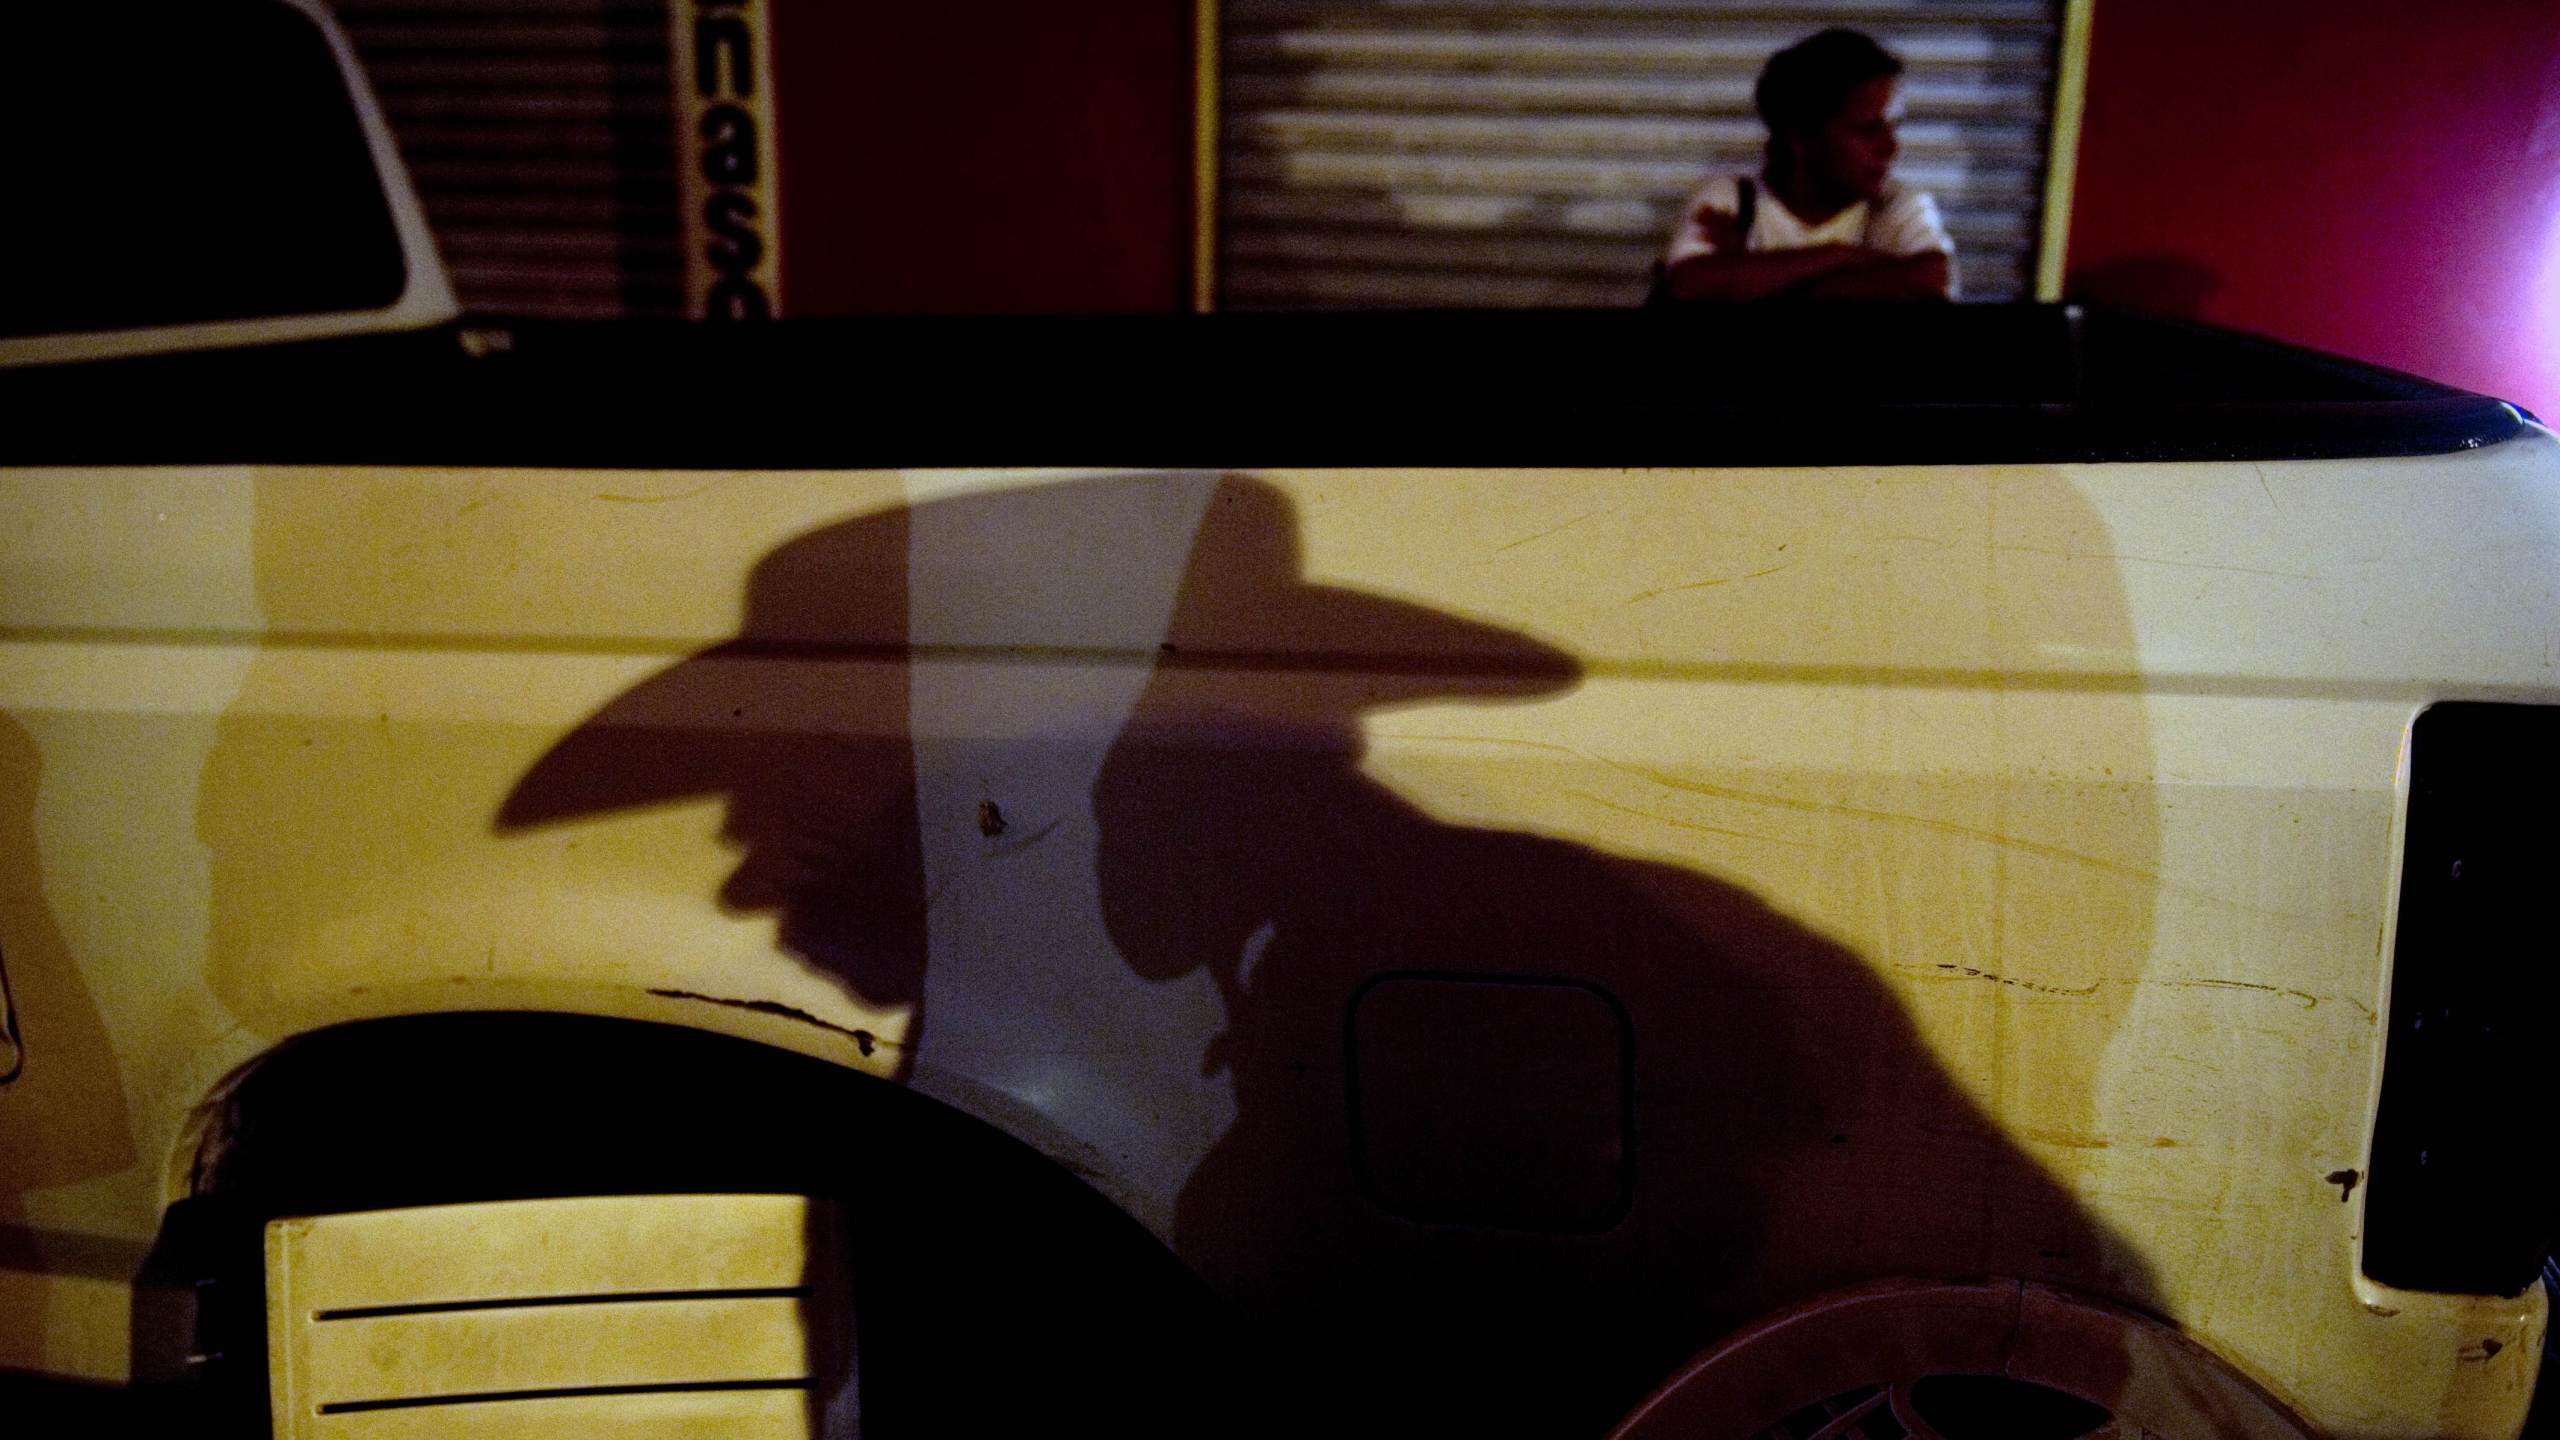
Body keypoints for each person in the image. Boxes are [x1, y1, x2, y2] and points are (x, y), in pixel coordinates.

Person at [1658, 28, 1954, 302]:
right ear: (1801, 139)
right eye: (1867, 130)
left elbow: (1933, 278)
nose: (1891, 148)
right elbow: (1689, 283)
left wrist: (1752, 283)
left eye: (1894, 128)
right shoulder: (1734, 201)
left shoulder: (1894, 205)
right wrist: (1844, 257)